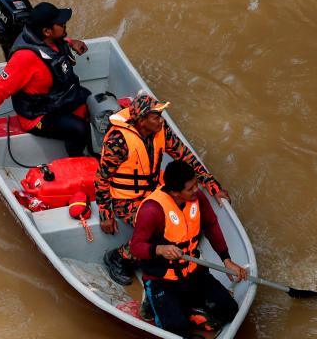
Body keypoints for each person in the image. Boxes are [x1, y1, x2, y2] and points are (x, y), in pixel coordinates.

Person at [97, 92, 231, 285]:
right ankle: (119, 257)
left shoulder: (161, 130)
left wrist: (212, 185)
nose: (161, 120)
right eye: (156, 117)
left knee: (191, 219)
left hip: (156, 191)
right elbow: (102, 178)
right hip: (127, 201)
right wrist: (105, 213)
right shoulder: (118, 142)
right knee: (162, 229)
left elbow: (185, 157)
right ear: (142, 121)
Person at [130, 160, 247, 338]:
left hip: (193, 273)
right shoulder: (152, 210)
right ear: (176, 193)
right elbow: (136, 248)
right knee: (176, 330)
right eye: (190, 188)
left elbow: (211, 225)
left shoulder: (197, 197)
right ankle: (153, 301)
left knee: (229, 310)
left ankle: (187, 308)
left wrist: (226, 259)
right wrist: (159, 249)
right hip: (162, 280)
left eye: (196, 184)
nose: (196, 190)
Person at [0, 2, 92, 156]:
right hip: (38, 117)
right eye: (61, 23)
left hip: (58, 101)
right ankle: (78, 162)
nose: (65, 25)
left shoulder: (49, 39)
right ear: (47, 31)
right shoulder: (24, 59)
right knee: (79, 129)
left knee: (92, 101)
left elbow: (56, 45)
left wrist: (72, 42)